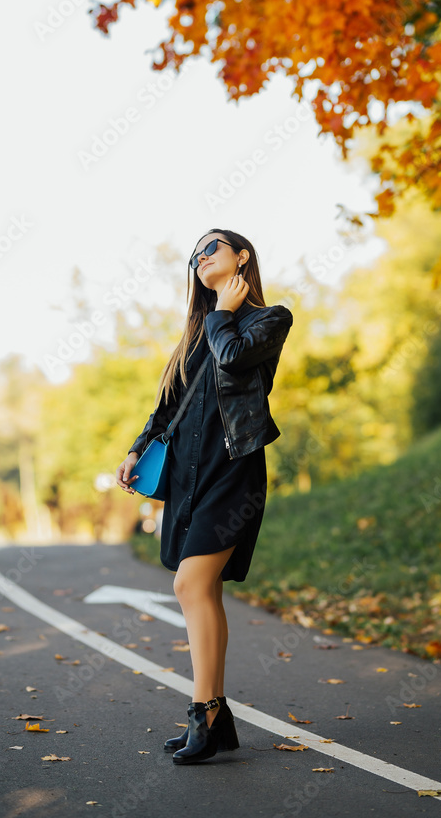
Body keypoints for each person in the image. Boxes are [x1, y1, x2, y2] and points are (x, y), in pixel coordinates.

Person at [115, 229, 293, 764]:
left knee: (189, 583)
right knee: (203, 591)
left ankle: (206, 712)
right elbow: (169, 405)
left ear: (242, 257)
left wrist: (222, 310)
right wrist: (137, 447)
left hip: (232, 473)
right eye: (193, 255)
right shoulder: (196, 334)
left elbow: (235, 359)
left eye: (210, 248)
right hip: (189, 476)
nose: (199, 258)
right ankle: (214, 720)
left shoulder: (269, 319)